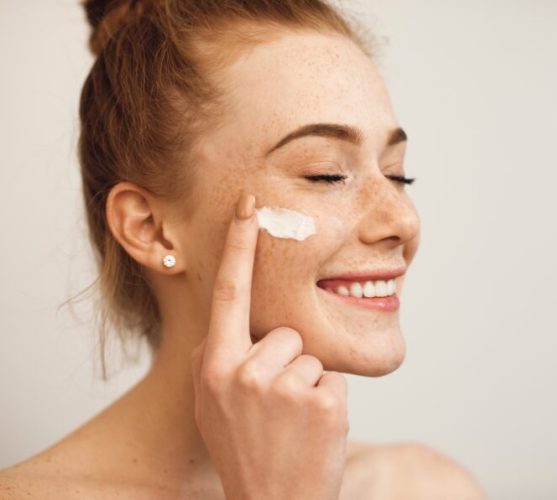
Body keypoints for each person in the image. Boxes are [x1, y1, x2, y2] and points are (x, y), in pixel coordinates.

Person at [0, 0, 485, 498]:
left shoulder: (428, 487)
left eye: (397, 174)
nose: (403, 221)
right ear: (150, 228)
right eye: (326, 173)